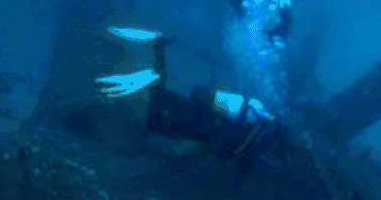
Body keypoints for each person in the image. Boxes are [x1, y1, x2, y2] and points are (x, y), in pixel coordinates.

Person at [95, 26, 282, 161]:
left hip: (201, 111)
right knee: (156, 116)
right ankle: (158, 49)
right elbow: (222, 150)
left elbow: (219, 145)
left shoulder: (251, 126)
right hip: (199, 118)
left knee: (162, 105)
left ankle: (159, 51)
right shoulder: (250, 133)